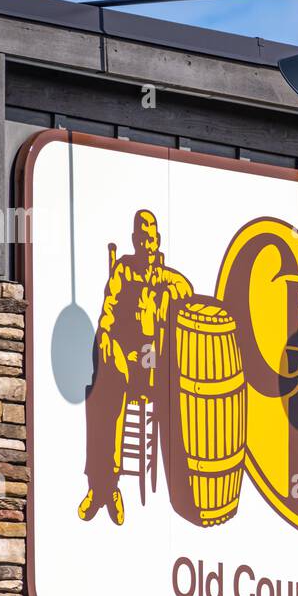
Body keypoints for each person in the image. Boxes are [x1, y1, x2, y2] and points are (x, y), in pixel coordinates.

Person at [77, 209, 192, 524]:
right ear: (134, 240)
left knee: (116, 388)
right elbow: (108, 311)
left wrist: (178, 294)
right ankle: (104, 486)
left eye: (152, 238)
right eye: (142, 238)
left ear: (158, 241)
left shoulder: (166, 276)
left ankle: (106, 487)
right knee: (101, 397)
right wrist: (105, 339)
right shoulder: (124, 270)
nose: (148, 245)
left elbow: (186, 292)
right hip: (125, 357)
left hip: (154, 363)